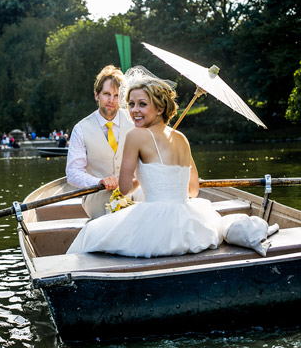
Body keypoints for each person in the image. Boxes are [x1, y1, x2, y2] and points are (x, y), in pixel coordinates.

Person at [67, 67, 223, 258]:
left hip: (148, 211)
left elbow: (124, 188)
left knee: (89, 235)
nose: (134, 110)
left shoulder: (135, 130)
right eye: (131, 104)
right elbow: (193, 190)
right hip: (184, 220)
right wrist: (153, 177)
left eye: (117, 96)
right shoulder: (182, 138)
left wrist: (144, 178)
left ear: (159, 108)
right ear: (96, 95)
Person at [66, 65, 136, 219]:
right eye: (106, 94)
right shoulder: (81, 129)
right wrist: (99, 181)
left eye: (117, 95)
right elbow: (72, 173)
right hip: (97, 198)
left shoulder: (134, 121)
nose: (111, 100)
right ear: (96, 95)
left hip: (133, 193)